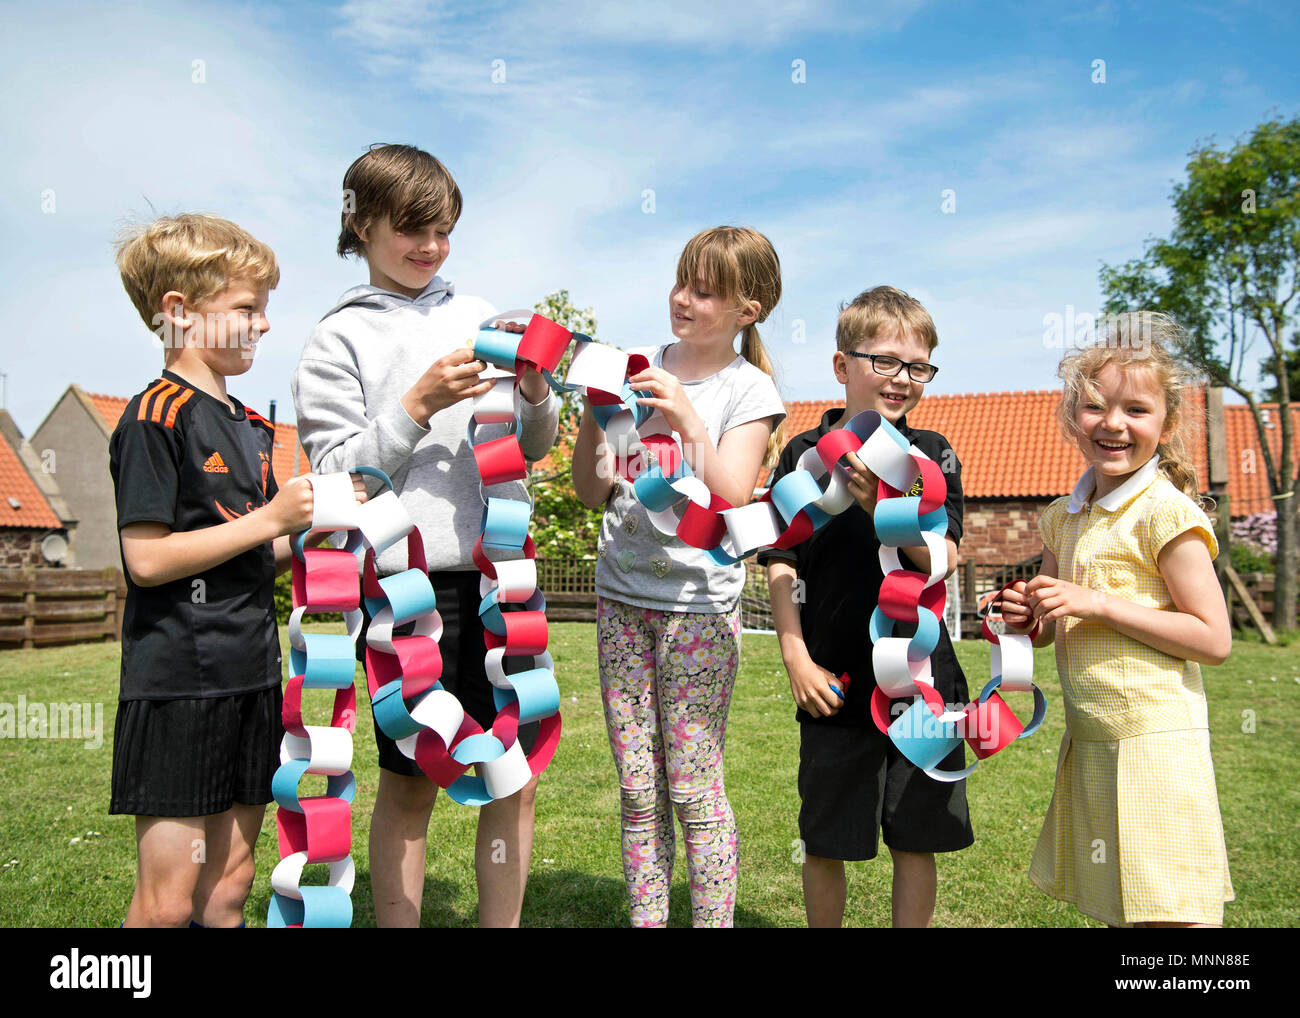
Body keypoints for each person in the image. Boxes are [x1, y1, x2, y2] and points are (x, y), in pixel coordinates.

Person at [292, 144, 559, 928]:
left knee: (511, 772)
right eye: (412, 229)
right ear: (361, 224)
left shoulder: (477, 315)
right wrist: (413, 405)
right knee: (409, 779)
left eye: (443, 230)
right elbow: (339, 473)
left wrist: (536, 393)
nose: (431, 247)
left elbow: (533, 445)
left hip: (496, 578)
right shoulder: (335, 341)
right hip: (402, 589)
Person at [109, 213, 365, 927]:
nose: (262, 326)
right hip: (180, 686)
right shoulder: (154, 418)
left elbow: (251, 546)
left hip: (253, 676)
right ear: (179, 313)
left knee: (229, 886)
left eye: (264, 310)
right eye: (247, 309)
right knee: (166, 903)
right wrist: (271, 520)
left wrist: (316, 527)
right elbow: (149, 559)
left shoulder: (251, 425)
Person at [571, 225, 786, 927]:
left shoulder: (747, 391)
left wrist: (687, 416)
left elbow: (731, 496)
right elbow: (588, 490)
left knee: (693, 791)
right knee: (637, 792)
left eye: (704, 290)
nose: (682, 299)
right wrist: (591, 419)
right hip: (620, 600)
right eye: (680, 281)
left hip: (697, 610)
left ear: (745, 311)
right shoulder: (638, 368)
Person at [1001, 312, 1233, 928]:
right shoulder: (1061, 515)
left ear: (1168, 423)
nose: (1113, 424)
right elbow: (1051, 626)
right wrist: (1027, 616)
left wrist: (1099, 603)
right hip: (1094, 740)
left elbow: (1213, 639)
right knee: (1120, 908)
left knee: (1170, 916)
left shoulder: (1165, 512)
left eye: (1136, 410)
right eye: (1097, 407)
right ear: (1072, 416)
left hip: (1155, 744)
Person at [759, 285, 972, 928]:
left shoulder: (931, 455)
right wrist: (795, 655)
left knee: (918, 834)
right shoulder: (803, 454)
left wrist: (886, 512)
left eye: (916, 366)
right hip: (834, 680)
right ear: (841, 365)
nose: (901, 379)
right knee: (826, 840)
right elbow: (779, 562)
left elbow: (945, 558)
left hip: (924, 678)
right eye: (882, 361)